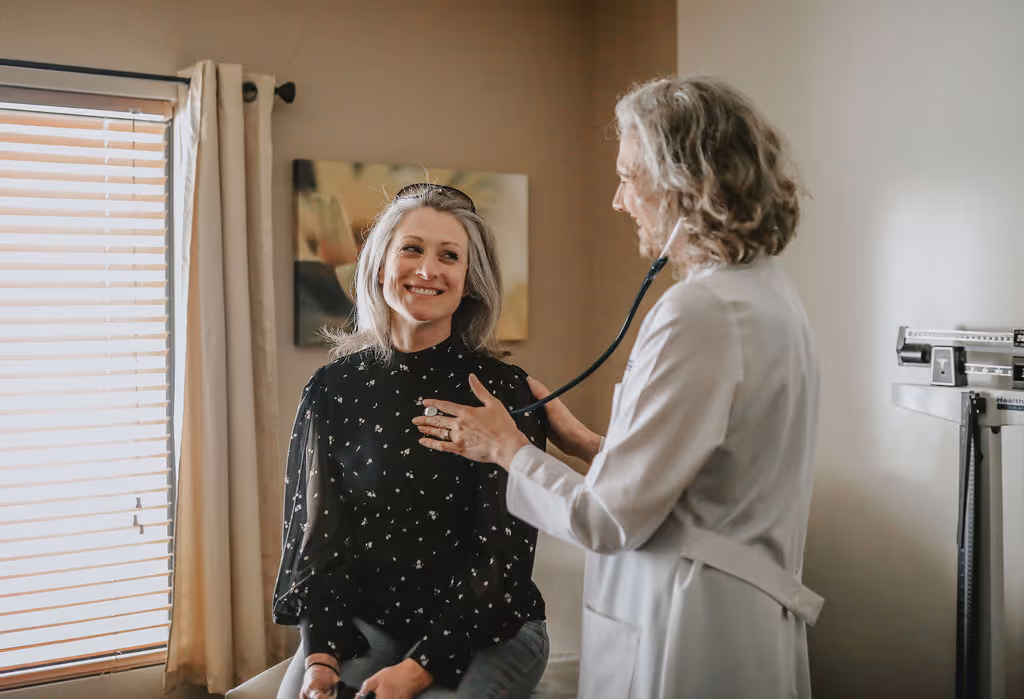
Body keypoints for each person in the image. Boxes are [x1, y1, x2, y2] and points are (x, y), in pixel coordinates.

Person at [414, 76, 822, 698]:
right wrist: (585, 443)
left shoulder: (700, 313)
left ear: (683, 181)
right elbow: (707, 474)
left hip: (687, 623)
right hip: (734, 615)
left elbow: (606, 521)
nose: (618, 199)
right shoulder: (770, 297)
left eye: (629, 176)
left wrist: (505, 448)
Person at [272, 184, 550, 699]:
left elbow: (503, 557)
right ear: (380, 267)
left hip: (493, 629)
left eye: (450, 256)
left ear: (469, 281)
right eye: (412, 249)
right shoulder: (331, 390)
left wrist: (418, 670)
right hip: (375, 620)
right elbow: (317, 543)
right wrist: (321, 659)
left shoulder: (505, 392)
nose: (428, 270)